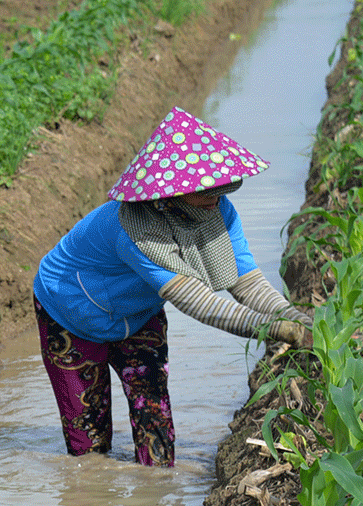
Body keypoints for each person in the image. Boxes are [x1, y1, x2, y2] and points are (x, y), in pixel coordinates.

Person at [32, 107, 312, 467]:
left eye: (219, 186)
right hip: (69, 313)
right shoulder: (133, 229)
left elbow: (247, 280)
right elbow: (196, 301)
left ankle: (155, 499)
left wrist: (297, 318)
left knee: (155, 423)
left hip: (138, 315)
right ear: (169, 193)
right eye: (203, 188)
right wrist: (278, 330)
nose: (216, 194)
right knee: (88, 444)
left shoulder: (218, 212)